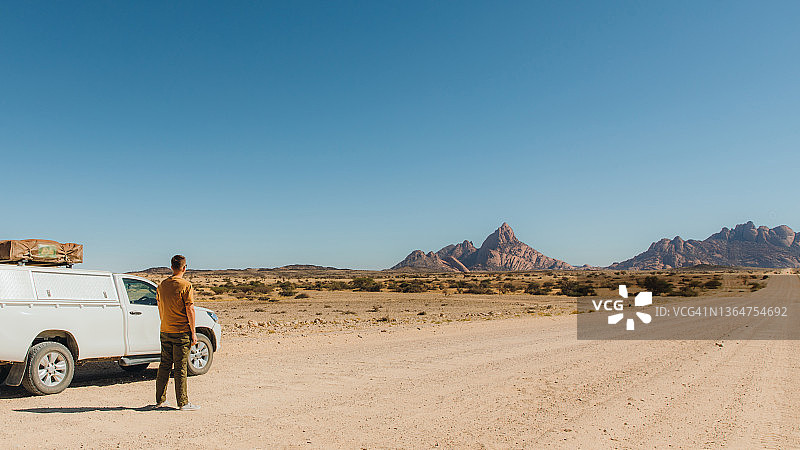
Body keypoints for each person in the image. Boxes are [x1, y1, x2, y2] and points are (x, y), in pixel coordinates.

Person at [154, 254, 200, 411]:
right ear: (184, 268)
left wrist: (164, 321)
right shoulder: (186, 285)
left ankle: (160, 400)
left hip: (165, 329)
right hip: (181, 332)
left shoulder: (162, 285)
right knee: (180, 368)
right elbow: (190, 309)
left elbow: (160, 306)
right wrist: (193, 332)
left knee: (164, 366)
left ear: (171, 267)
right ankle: (183, 402)